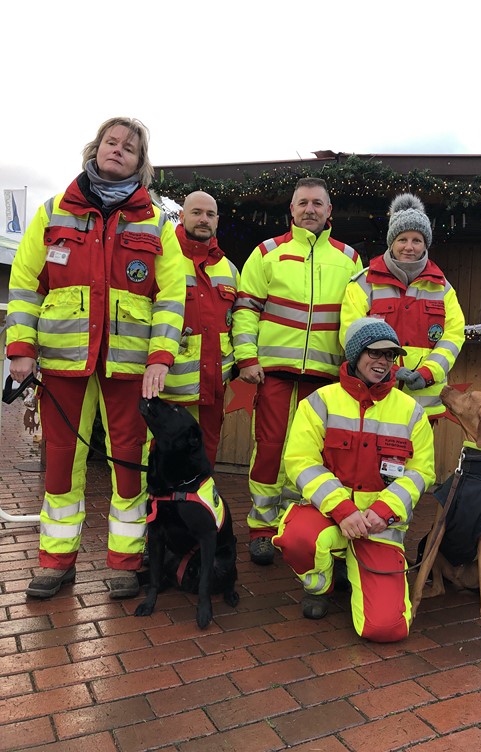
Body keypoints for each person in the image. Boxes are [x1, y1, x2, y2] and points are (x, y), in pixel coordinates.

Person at [6, 117, 186, 600]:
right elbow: (24, 285)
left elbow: (171, 296)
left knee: (129, 463)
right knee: (62, 463)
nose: (119, 149)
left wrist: (160, 357)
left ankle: (125, 563)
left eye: (130, 146)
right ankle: (54, 563)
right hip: (64, 363)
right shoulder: (51, 213)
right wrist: (20, 350)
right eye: (112, 141)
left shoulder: (158, 226)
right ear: (96, 147)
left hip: (129, 368)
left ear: (140, 162)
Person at [273, 317, 435, 641]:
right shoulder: (320, 403)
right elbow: (300, 461)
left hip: (380, 525)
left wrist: (384, 511)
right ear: (356, 354)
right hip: (329, 515)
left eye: (390, 355)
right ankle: (321, 585)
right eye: (375, 353)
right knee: (297, 538)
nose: (383, 362)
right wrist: (342, 510)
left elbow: (421, 472)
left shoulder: (412, 411)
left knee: (386, 629)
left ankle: (354, 566)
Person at [232, 177, 364, 565]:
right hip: (272, 373)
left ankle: (295, 526)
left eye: (317, 203)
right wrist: (247, 357)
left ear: (329, 211)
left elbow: (357, 320)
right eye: (303, 202)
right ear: (291, 210)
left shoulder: (349, 259)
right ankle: (261, 527)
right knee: (269, 449)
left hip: (325, 377)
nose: (310, 209)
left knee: (311, 455)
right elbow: (246, 308)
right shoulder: (267, 252)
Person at [340, 193, 465, 420]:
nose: (409, 247)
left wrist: (429, 373)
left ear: (425, 243)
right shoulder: (363, 283)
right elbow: (351, 334)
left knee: (420, 457)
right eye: (402, 239)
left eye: (417, 240)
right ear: (391, 242)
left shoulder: (443, 288)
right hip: (375, 400)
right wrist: (392, 370)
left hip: (425, 406)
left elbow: (453, 337)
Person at [161, 191, 239, 468]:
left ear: (217, 221)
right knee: (164, 468)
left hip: (211, 391)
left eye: (210, 214)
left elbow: (237, 324)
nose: (203, 219)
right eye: (196, 213)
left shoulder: (230, 269)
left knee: (203, 466)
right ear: (182, 216)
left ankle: (200, 511)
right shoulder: (163, 259)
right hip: (167, 391)